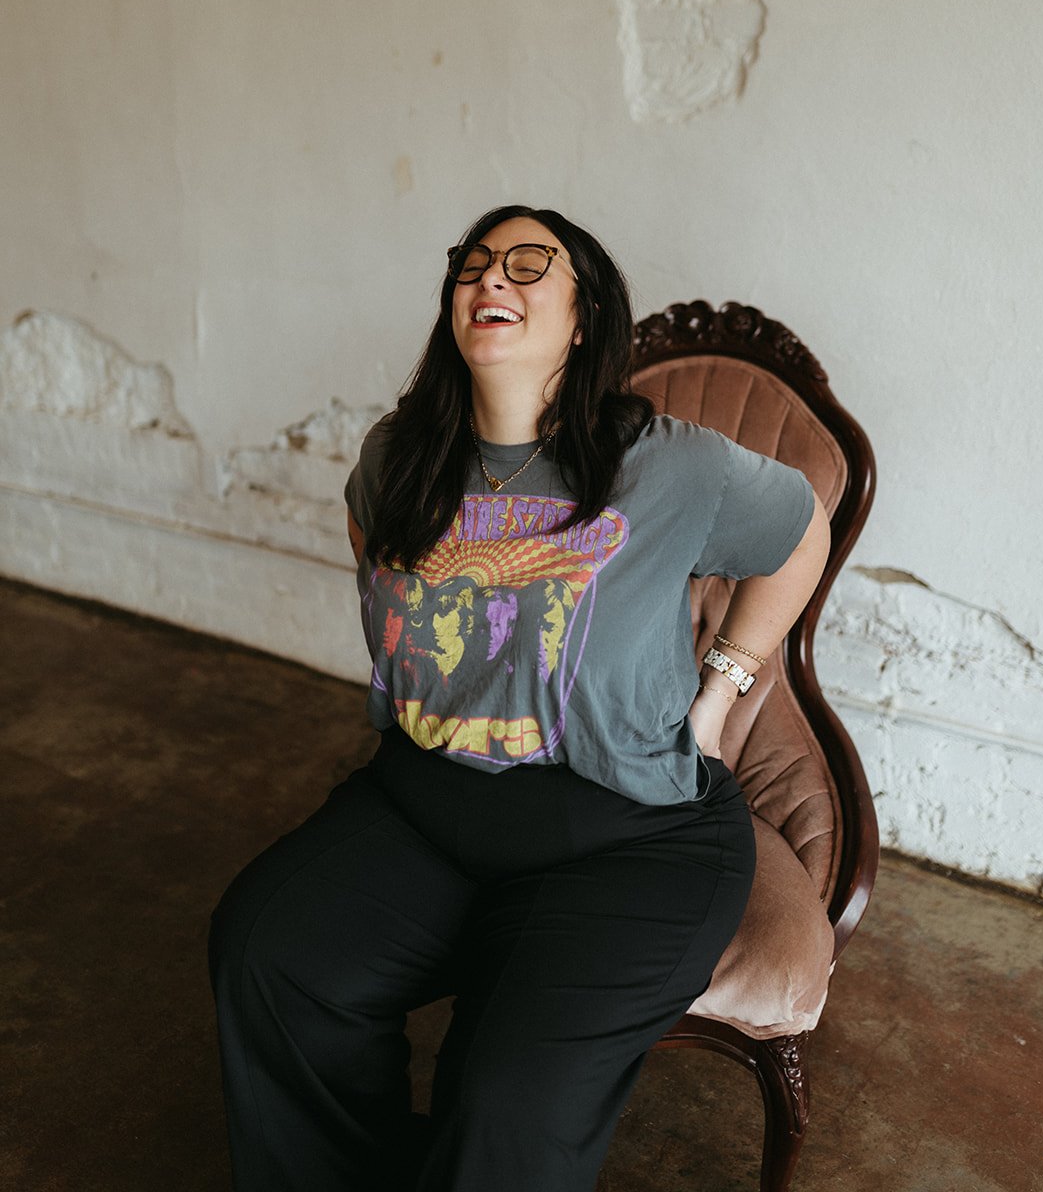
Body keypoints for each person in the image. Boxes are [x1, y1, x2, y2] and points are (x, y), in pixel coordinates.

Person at [209, 204, 831, 1192]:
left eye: (529, 263)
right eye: (473, 264)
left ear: (585, 321)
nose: (492, 278)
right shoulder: (396, 459)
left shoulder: (670, 464)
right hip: (424, 803)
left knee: (507, 1098)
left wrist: (724, 689)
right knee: (269, 953)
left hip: (630, 833)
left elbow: (801, 532)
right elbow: (381, 573)